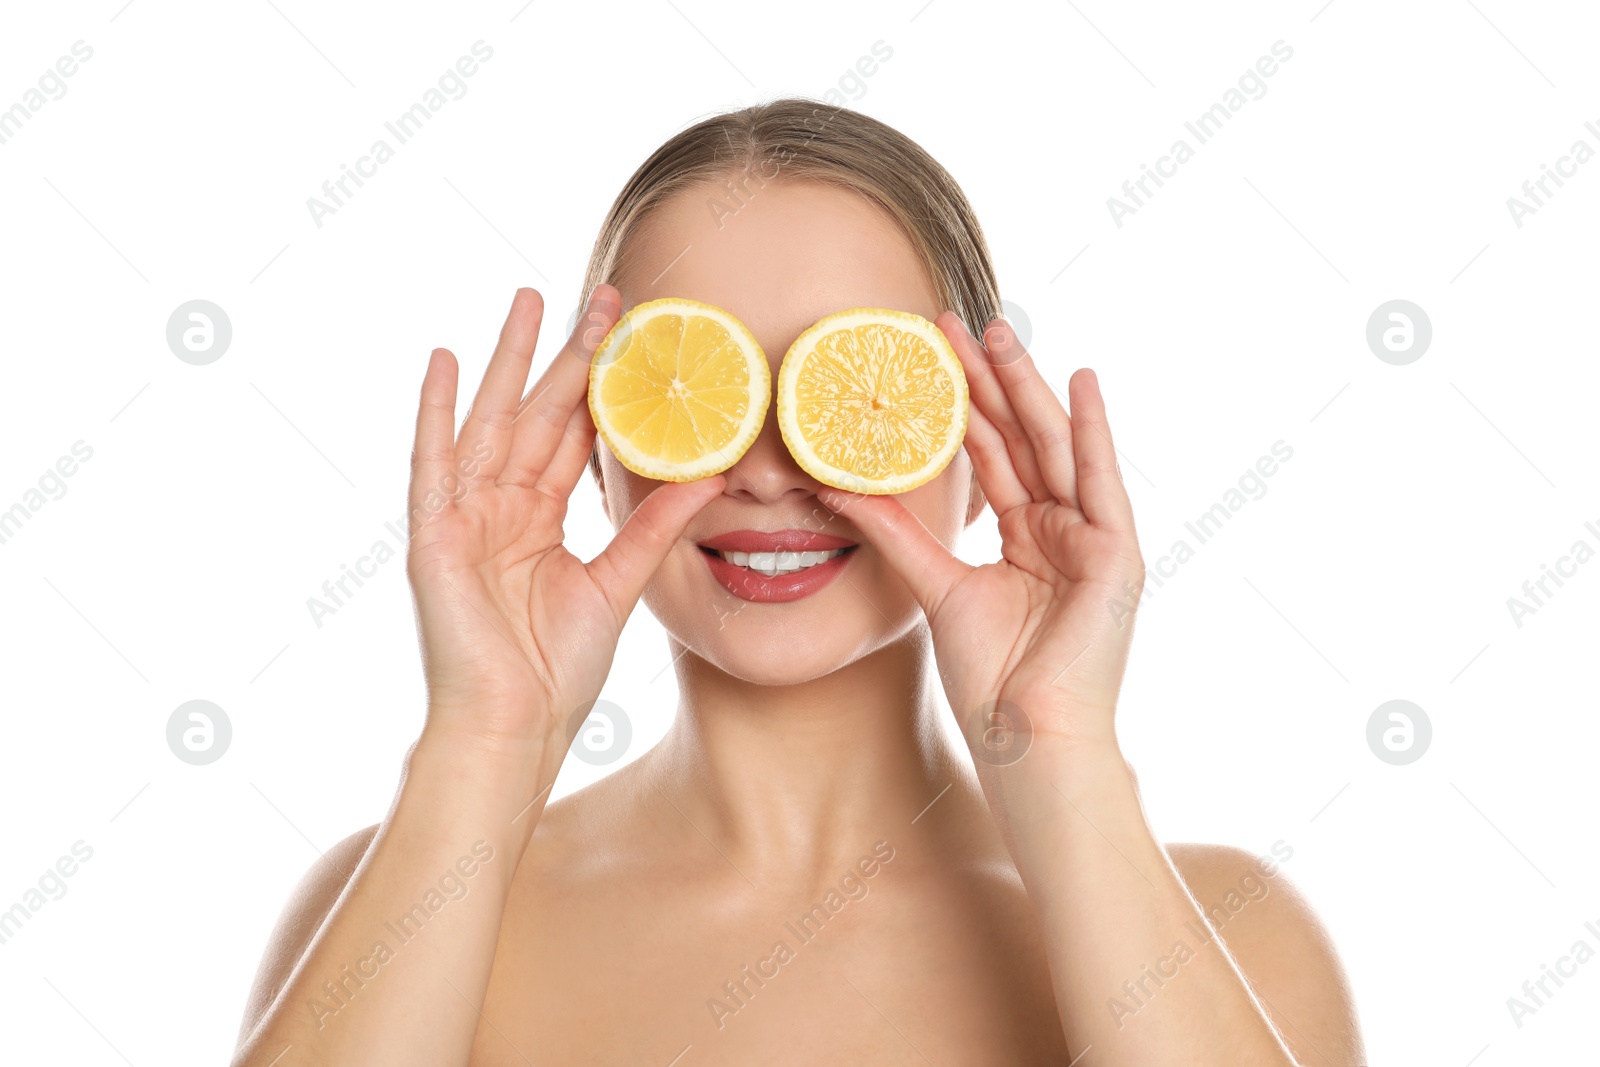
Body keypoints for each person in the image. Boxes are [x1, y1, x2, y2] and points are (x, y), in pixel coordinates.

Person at [231, 99, 1363, 1065]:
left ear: (977, 436)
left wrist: (1056, 748)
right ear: (599, 433)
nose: (769, 470)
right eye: (698, 379)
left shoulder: (1232, 935)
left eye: (849, 389)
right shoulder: (412, 908)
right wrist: (486, 736)